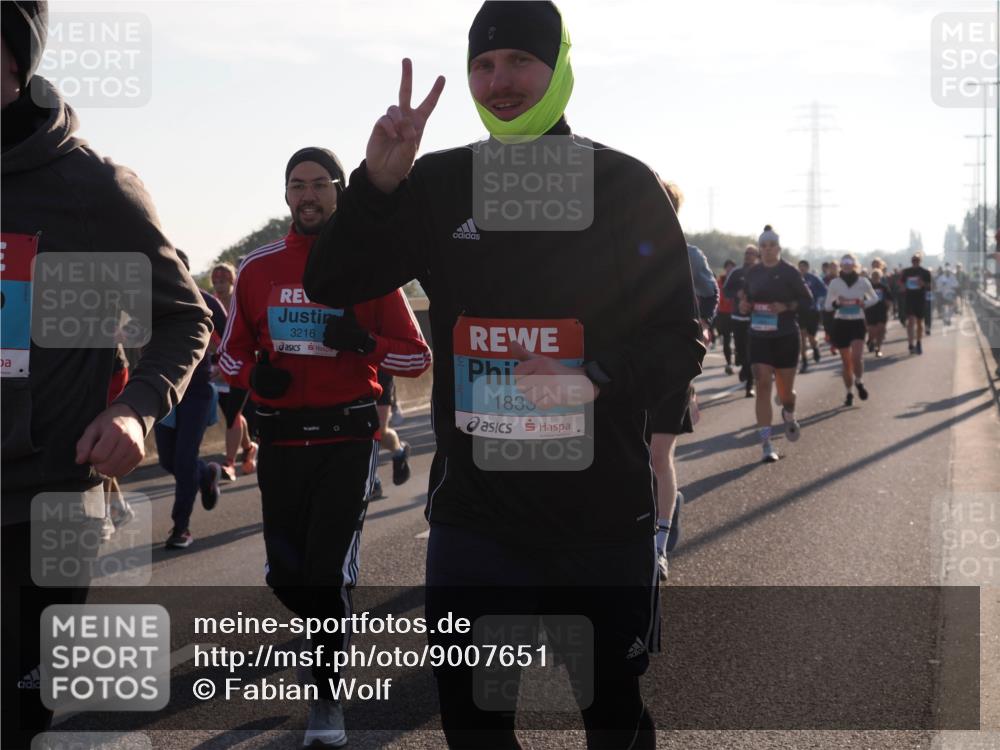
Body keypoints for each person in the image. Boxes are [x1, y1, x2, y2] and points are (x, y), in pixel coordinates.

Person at [303, 3, 705, 746]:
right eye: (484, 65)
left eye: (520, 60)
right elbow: (331, 280)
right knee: (475, 726)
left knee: (612, 717)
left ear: (559, 69)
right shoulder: (441, 182)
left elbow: (680, 338)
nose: (500, 81)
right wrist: (376, 185)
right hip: (477, 520)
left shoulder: (620, 184)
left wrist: (593, 377)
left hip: (601, 516)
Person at [1, 3, 212, 746]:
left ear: (17, 58)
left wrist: (137, 410)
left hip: (43, 501)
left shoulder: (90, 188)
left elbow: (186, 318)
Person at [218, 146, 431, 747]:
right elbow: (230, 355)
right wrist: (255, 374)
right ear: (286, 195)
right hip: (281, 443)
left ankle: (327, 705)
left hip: (348, 437)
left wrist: (361, 341)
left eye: (319, 185)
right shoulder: (258, 269)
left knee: (328, 574)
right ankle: (314, 608)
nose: (307, 196)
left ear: (339, 191)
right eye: (297, 186)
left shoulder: (369, 266)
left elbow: (418, 358)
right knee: (291, 576)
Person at [650, 181, 718, 581]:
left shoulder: (689, 255)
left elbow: (711, 293)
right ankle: (664, 506)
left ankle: (658, 544)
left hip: (673, 364)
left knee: (658, 456)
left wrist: (705, 324)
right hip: (628, 367)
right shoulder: (623, 250)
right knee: (635, 458)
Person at [154, 250, 228, 549]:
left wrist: (221, 365)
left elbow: (233, 335)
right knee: (168, 460)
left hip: (196, 392)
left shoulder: (207, 302)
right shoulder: (152, 299)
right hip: (161, 391)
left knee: (183, 459)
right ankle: (206, 473)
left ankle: (180, 528)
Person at [738, 226, 812, 463]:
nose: (768, 249)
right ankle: (766, 443)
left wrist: (786, 306)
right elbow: (746, 299)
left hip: (786, 336)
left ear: (778, 248)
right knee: (762, 384)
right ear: (760, 250)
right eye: (764, 246)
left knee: (785, 392)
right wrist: (745, 306)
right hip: (759, 337)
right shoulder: (752, 273)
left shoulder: (789, 272)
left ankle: (788, 413)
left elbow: (806, 300)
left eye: (772, 245)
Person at [210, 261, 257, 480]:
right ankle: (249, 448)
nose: (219, 285)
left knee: (232, 414)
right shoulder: (210, 305)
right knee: (233, 414)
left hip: (239, 366)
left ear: (232, 280)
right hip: (218, 368)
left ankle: (229, 463)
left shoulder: (242, 302)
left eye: (223, 280)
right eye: (216, 281)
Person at [824, 254, 878, 406]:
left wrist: (863, 303)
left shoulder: (863, 281)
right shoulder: (835, 283)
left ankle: (859, 382)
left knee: (857, 357)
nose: (847, 264)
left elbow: (875, 298)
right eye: (844, 262)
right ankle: (849, 392)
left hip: (857, 323)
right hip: (841, 323)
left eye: (850, 262)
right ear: (841, 265)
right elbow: (827, 306)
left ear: (855, 264)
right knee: (846, 362)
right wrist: (837, 303)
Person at [369, 367, 413, 501]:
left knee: (379, 431)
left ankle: (399, 451)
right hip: (352, 371)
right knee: (362, 431)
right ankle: (373, 482)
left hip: (380, 371)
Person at [723, 244, 762, 397]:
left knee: (751, 350)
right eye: (747, 253)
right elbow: (726, 291)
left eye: (752, 253)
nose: (748, 255)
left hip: (755, 318)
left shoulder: (761, 272)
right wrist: (736, 293)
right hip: (737, 317)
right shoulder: (736, 272)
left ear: (757, 256)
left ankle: (749, 385)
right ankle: (745, 368)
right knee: (740, 349)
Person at [796, 259, 826, 373]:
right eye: (800, 267)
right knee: (802, 337)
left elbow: (824, 291)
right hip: (800, 311)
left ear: (807, 268)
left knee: (811, 337)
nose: (802, 269)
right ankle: (804, 362)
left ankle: (815, 347)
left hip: (813, 311)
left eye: (804, 266)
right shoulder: (795, 279)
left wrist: (816, 299)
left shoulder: (814, 278)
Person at [900, 252, 932, 354]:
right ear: (911, 261)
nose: (915, 262)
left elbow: (930, 287)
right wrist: (903, 287)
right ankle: (910, 344)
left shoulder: (925, 272)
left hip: (920, 299)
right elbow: (901, 284)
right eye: (913, 260)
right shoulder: (906, 272)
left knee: (919, 322)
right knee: (910, 321)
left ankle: (918, 342)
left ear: (920, 261)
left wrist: (923, 284)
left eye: (917, 260)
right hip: (909, 299)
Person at [865, 269, 893, 358]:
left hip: (881, 311)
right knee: (872, 330)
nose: (875, 278)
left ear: (880, 277)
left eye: (877, 276)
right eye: (874, 276)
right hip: (870, 311)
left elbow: (889, 299)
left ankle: (878, 348)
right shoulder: (867, 288)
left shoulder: (884, 287)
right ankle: (870, 340)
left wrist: (888, 306)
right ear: (871, 277)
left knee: (881, 330)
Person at [716, 259, 737, 375]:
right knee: (726, 339)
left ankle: (739, 358)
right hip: (723, 313)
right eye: (727, 267)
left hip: (737, 313)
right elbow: (718, 294)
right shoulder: (721, 280)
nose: (729, 269)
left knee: (739, 339)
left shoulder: (738, 279)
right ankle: (729, 363)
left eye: (731, 267)